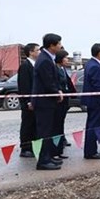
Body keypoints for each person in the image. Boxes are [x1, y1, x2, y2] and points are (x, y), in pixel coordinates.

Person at [32, 33, 64, 170]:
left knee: (49, 130)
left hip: (48, 102)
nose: (61, 46)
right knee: (44, 131)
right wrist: (57, 92)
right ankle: (43, 161)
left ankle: (48, 156)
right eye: (59, 44)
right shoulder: (44, 59)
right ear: (51, 45)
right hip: (44, 102)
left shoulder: (48, 58)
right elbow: (48, 81)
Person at [81, 43, 100, 160]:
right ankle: (91, 152)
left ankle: (91, 150)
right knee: (93, 126)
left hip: (95, 102)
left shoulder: (93, 64)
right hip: (97, 102)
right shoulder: (94, 66)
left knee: (92, 126)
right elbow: (97, 87)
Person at [18, 43, 40, 158]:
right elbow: (25, 86)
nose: (39, 52)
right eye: (37, 50)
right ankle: (25, 148)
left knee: (35, 125)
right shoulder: (25, 66)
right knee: (27, 124)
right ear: (31, 52)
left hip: (37, 101)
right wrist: (28, 101)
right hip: (29, 102)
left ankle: (34, 146)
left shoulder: (36, 65)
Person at [53, 50, 75, 160]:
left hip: (65, 100)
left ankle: (60, 147)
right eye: (66, 58)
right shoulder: (55, 69)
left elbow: (68, 83)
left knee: (61, 124)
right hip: (58, 102)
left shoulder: (63, 69)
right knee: (56, 125)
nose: (67, 60)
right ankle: (55, 150)